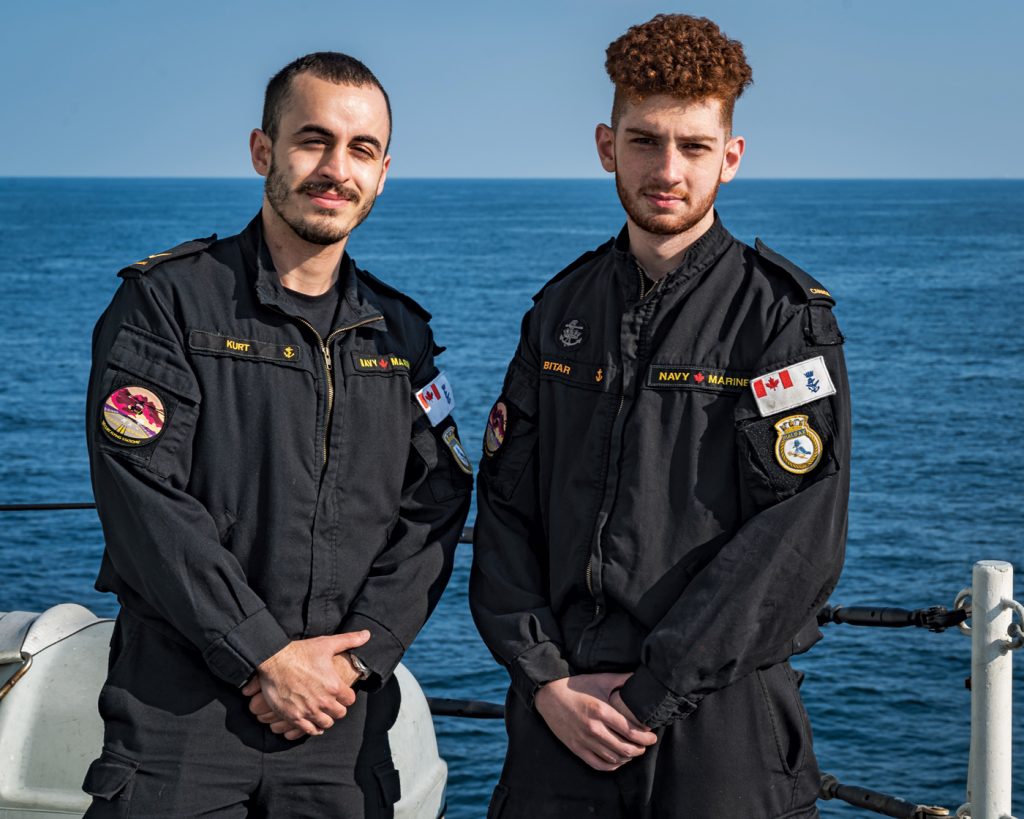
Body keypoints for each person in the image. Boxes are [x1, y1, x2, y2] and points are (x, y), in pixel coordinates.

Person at [470, 14, 849, 819]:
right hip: (561, 716)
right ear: (607, 145)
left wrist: (654, 690)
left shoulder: (779, 320)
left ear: (731, 158)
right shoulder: (558, 312)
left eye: (694, 145)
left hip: (718, 730)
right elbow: (504, 508)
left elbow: (796, 538)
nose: (667, 169)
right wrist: (543, 676)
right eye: (644, 141)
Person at [83, 52, 471, 818]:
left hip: (338, 719)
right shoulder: (168, 304)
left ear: (384, 172)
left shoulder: (400, 334)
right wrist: (263, 651)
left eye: (361, 150)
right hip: (180, 718)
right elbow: (144, 500)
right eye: (312, 140)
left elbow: (436, 502)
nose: (336, 169)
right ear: (264, 151)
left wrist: (355, 663)